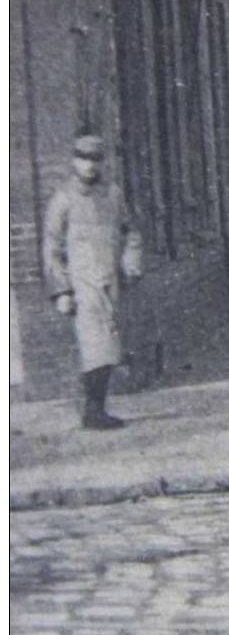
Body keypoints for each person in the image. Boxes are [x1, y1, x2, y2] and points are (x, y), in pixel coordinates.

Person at [43, 133, 143, 430]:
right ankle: (93, 410)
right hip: (82, 282)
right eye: (84, 158)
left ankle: (98, 408)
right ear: (74, 160)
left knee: (109, 345)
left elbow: (131, 231)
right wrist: (61, 290)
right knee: (94, 346)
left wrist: (131, 261)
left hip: (111, 280)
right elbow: (51, 246)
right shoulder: (63, 200)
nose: (89, 165)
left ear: (102, 163)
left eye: (95, 160)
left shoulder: (112, 195)